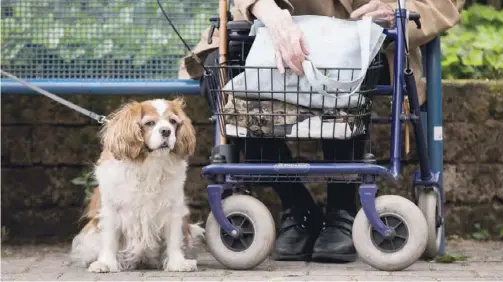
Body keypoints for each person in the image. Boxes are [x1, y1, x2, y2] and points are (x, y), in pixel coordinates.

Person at [179, 0, 464, 263]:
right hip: (265, 27)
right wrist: (271, 14)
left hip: (367, 36)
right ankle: (297, 206)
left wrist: (398, 10)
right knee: (218, 73)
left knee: (346, 71)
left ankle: (342, 210)